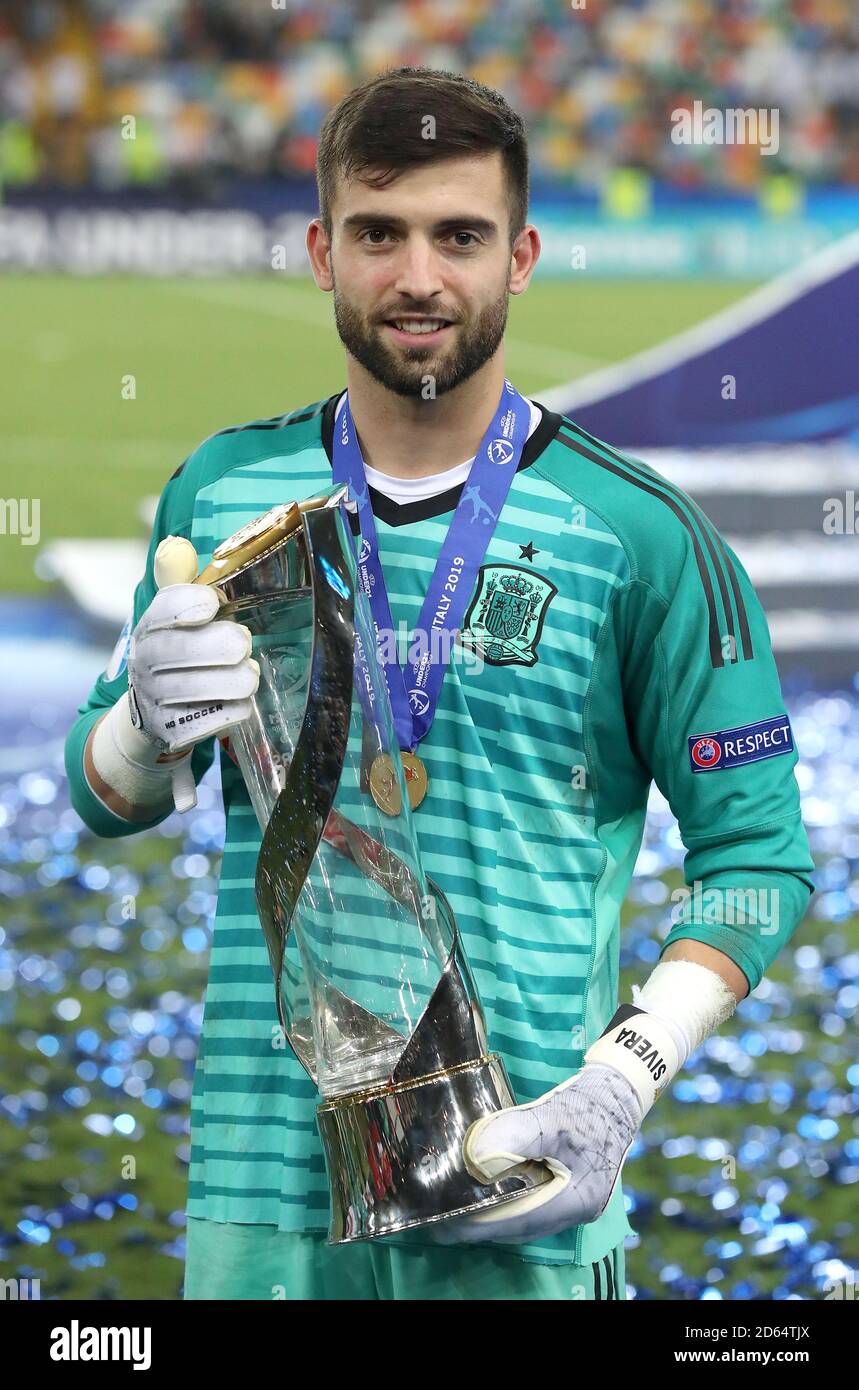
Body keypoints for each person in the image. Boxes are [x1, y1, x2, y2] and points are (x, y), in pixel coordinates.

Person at [65, 67, 814, 1301]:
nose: (419, 276)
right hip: (262, 1218)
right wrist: (145, 727)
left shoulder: (645, 538)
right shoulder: (221, 496)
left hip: (521, 1201)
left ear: (520, 256)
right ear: (321, 251)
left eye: (458, 236)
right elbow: (104, 794)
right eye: (379, 234)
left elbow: (759, 858)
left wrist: (624, 1077)